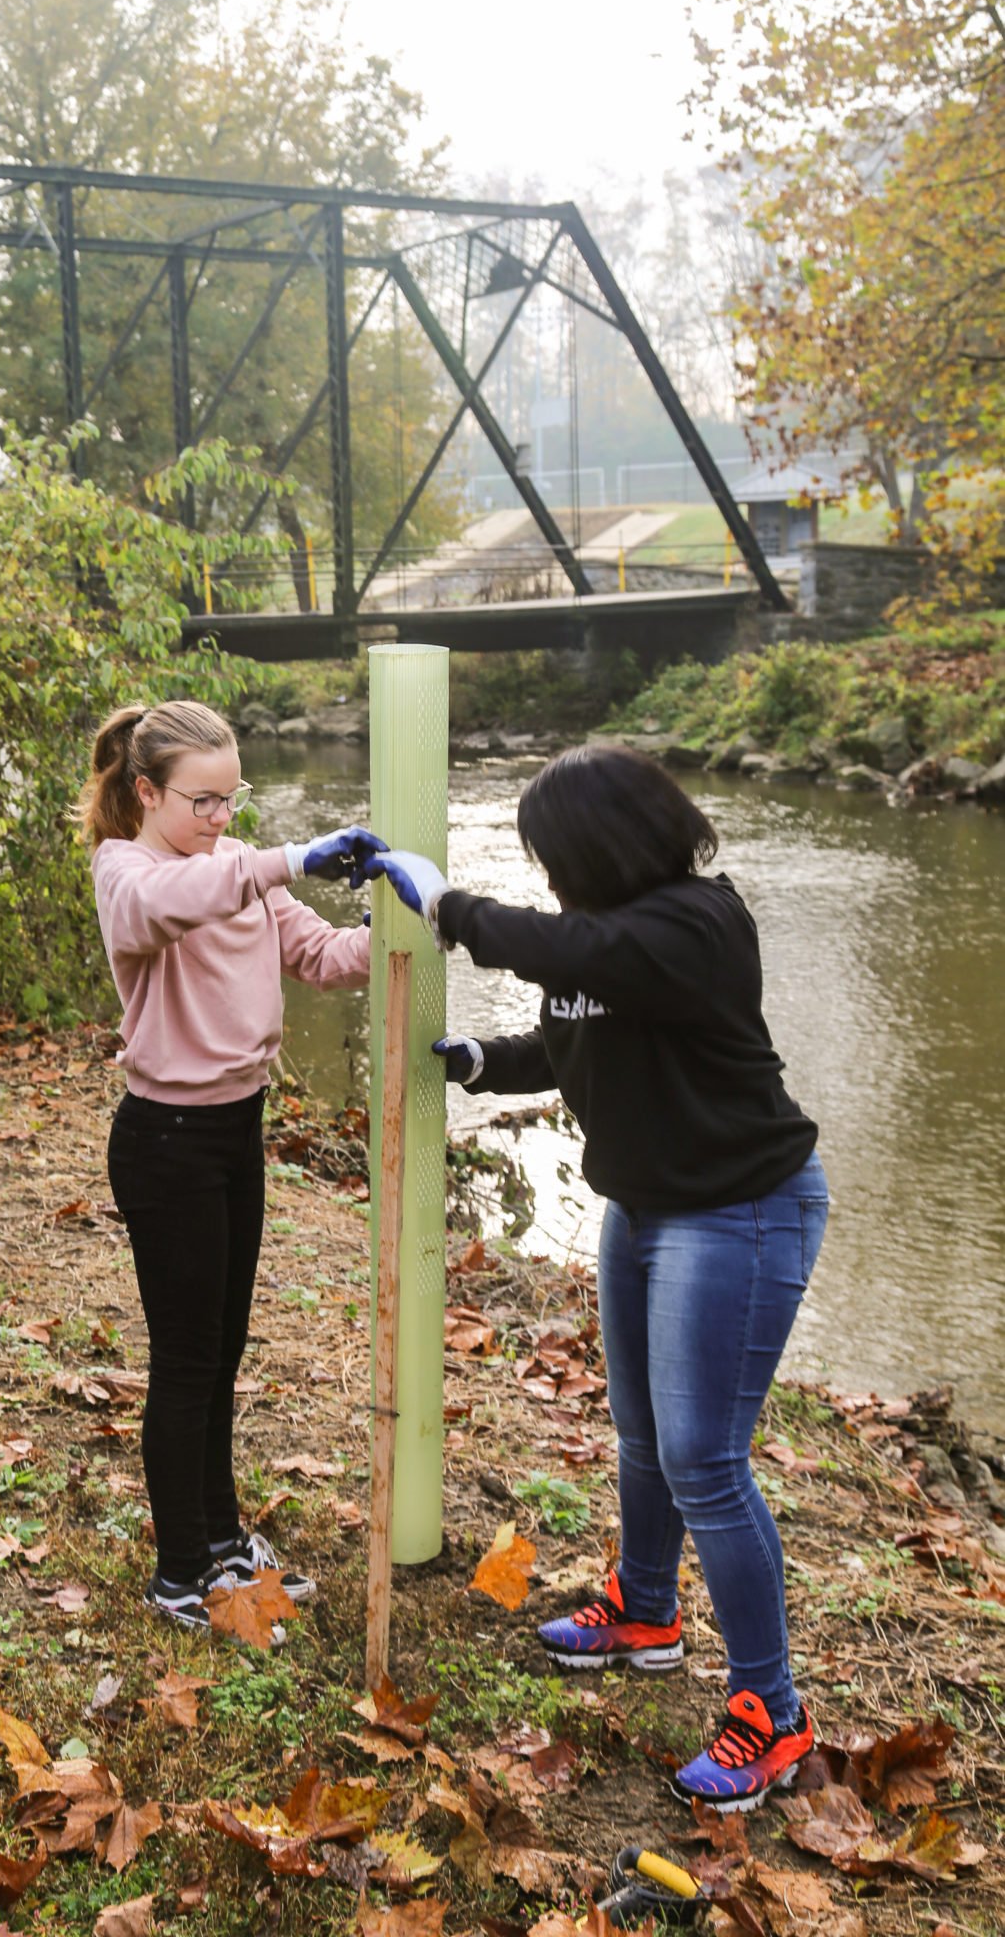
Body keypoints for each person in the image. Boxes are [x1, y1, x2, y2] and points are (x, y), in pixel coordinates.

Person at [363, 743, 829, 1814]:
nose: (550, 875)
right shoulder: (614, 945)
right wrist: (485, 1060)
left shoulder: (697, 923)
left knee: (705, 1459)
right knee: (637, 1430)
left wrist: (454, 908)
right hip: (647, 1206)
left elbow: (580, 955)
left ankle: (774, 1711)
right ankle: (648, 1610)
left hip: (740, 1209)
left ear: (601, 843)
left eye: (553, 854)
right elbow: (579, 1031)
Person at [77, 699, 384, 1631]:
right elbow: (166, 908)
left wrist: (411, 923)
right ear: (145, 791)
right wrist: (285, 860)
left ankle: (218, 1539)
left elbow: (323, 957)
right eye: (201, 802)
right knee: (185, 1359)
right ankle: (180, 1574)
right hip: (165, 1142)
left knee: (222, 1355)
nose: (219, 820)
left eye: (230, 799)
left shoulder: (242, 870)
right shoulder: (126, 869)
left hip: (233, 1132)